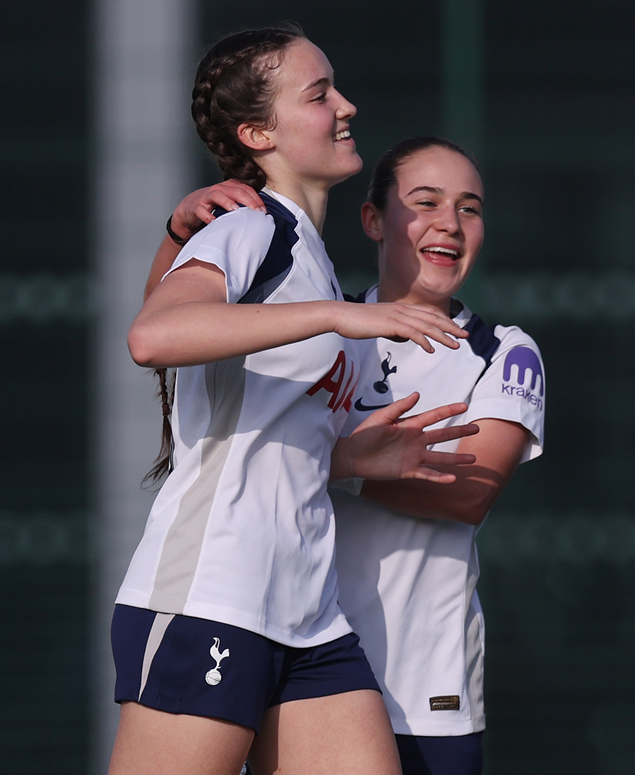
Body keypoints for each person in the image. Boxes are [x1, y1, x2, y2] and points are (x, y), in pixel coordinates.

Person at [109, 27, 484, 775]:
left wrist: (349, 456)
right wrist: (337, 316)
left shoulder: (309, 258)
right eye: (318, 95)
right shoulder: (253, 227)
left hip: (308, 614)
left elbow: (260, 430)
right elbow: (153, 335)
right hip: (213, 595)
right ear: (258, 134)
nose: (345, 106)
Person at [162, 137, 542, 775]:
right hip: (291, 663)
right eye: (426, 203)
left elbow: (469, 492)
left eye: (470, 209)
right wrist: (178, 236)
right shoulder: (322, 332)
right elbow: (168, 337)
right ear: (373, 220)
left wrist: (341, 466)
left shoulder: (502, 351)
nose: (450, 223)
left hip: (422, 686)